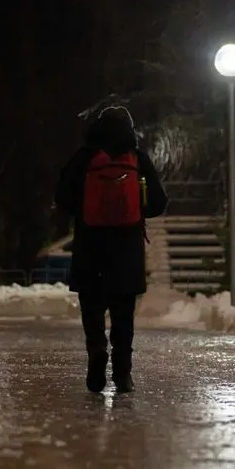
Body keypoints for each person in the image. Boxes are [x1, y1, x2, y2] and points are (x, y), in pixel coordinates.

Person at [55, 106, 168, 394]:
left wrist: (85, 210)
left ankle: (96, 351)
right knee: (123, 312)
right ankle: (122, 372)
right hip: (126, 247)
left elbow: (62, 197)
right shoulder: (137, 159)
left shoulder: (85, 157)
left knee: (91, 306)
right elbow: (158, 202)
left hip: (90, 244)